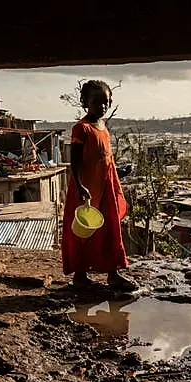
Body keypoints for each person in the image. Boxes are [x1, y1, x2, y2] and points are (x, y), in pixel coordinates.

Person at [61, 80, 138, 291]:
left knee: (111, 229)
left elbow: (106, 159)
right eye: (97, 102)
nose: (102, 107)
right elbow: (74, 162)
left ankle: (113, 273)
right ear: (85, 102)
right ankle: (80, 275)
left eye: (106, 102)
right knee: (83, 233)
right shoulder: (81, 129)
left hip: (106, 188)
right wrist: (79, 186)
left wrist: (117, 175)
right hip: (86, 191)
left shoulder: (103, 127)